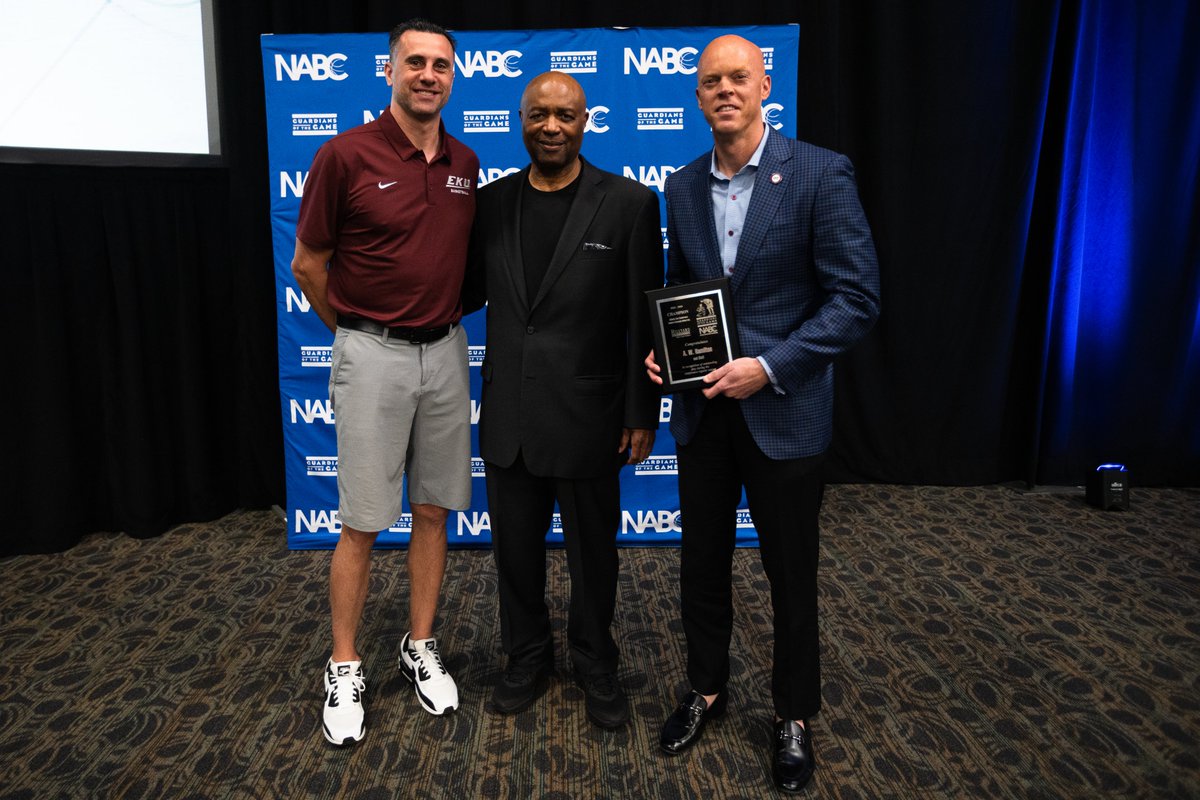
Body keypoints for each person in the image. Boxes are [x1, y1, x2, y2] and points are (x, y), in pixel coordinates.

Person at [646, 35, 880, 792]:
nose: (724, 90)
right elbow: (684, 291)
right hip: (704, 414)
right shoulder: (680, 188)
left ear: (764, 83)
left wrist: (770, 366)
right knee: (702, 567)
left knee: (791, 575)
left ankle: (792, 715)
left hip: (785, 412)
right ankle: (706, 689)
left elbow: (855, 300)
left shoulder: (819, 172)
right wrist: (664, 352)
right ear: (697, 95)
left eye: (737, 77)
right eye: (710, 80)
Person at [290, 19, 479, 746]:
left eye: (440, 65)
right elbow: (310, 264)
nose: (428, 75)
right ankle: (344, 663)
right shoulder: (344, 155)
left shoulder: (465, 159)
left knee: (432, 511)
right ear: (390, 71)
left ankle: (418, 644)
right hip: (372, 354)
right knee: (363, 521)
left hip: (448, 352)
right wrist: (360, 335)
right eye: (415, 63)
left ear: (452, 76)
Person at [462, 71, 662, 728]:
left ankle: (595, 661)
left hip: (592, 419)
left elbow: (642, 319)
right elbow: (459, 292)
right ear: (522, 120)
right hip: (511, 418)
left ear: (585, 122)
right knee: (514, 555)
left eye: (566, 115)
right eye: (539, 114)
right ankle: (526, 658)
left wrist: (642, 411)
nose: (552, 126)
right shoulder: (489, 204)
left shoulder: (630, 204)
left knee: (594, 559)